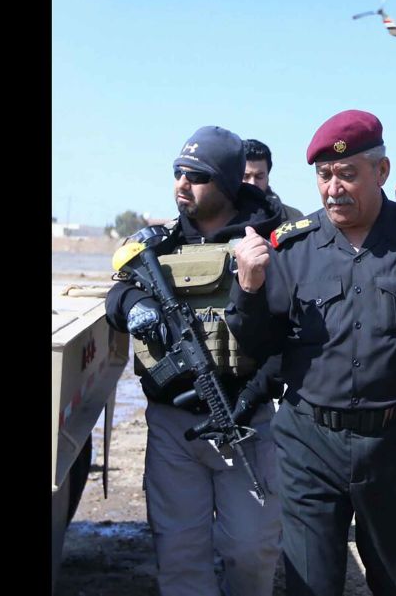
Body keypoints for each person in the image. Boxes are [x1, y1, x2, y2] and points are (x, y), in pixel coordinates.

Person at [225, 110, 396, 596]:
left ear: (381, 174)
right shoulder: (292, 247)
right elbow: (258, 348)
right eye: (324, 176)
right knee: (310, 584)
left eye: (347, 174)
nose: (334, 188)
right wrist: (249, 287)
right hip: (309, 445)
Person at [104, 125, 283, 596]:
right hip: (172, 425)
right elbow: (119, 287)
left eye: (197, 176)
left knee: (251, 548)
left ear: (225, 184)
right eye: (178, 173)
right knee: (179, 553)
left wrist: (252, 397)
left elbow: (288, 336)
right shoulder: (156, 245)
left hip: (245, 418)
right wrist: (131, 305)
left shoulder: (269, 242)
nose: (183, 184)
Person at [242, 138, 304, 223]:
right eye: (246, 176)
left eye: (259, 177)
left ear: (268, 176)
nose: (252, 183)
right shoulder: (219, 216)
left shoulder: (293, 217)